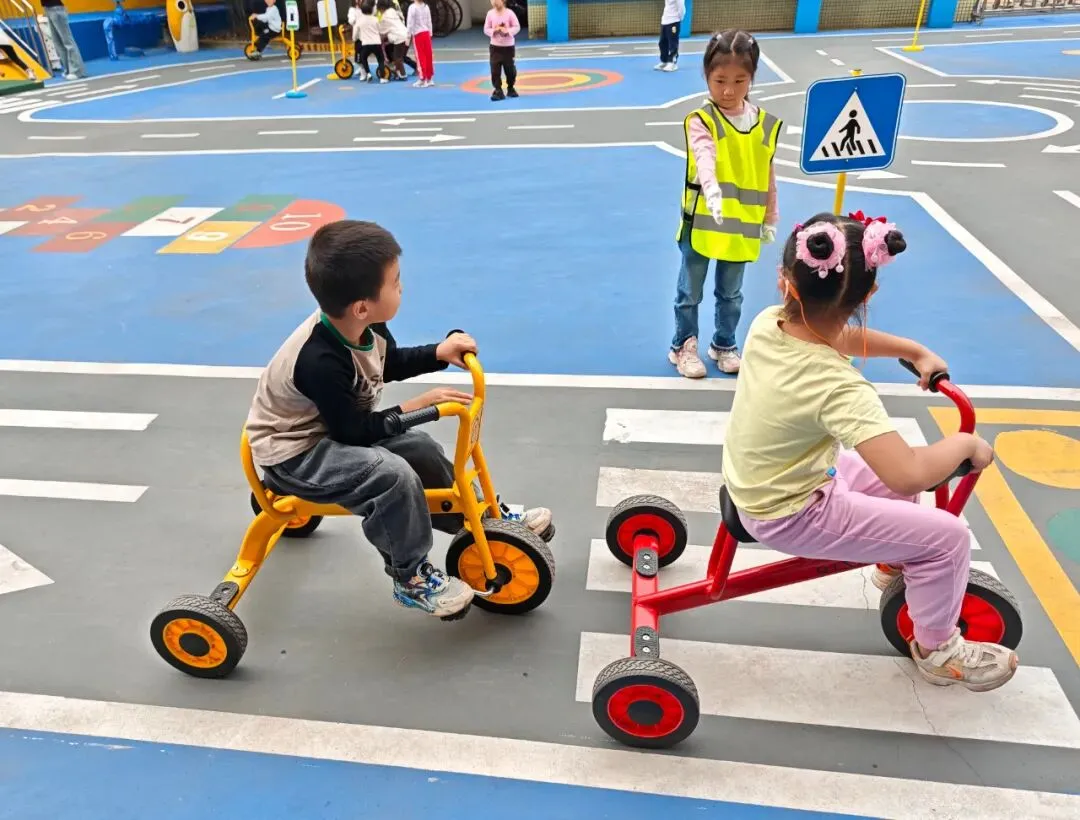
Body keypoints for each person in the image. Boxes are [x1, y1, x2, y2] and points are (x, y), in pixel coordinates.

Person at [721, 212, 1018, 692]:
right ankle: (938, 650)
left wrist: (912, 350)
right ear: (868, 295)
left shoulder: (768, 324)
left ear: (785, 283)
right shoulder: (837, 385)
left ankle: (894, 562)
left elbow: (835, 334)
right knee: (947, 538)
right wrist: (964, 444)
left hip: (769, 475)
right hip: (791, 509)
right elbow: (908, 474)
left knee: (887, 475)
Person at [245, 220, 553, 620]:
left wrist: (438, 353)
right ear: (362, 306)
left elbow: (386, 363)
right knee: (391, 476)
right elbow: (354, 433)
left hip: (332, 430)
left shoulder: (364, 326)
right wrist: (413, 407)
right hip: (295, 453)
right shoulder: (318, 361)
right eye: (395, 282)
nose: (402, 287)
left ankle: (479, 518)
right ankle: (409, 577)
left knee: (420, 448)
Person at [671, 29, 780, 379]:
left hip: (741, 226)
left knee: (731, 294)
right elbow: (704, 155)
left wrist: (770, 216)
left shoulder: (764, 126)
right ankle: (683, 345)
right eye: (719, 81)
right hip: (702, 222)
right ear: (707, 76)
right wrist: (711, 186)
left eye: (739, 81)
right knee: (690, 292)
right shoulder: (701, 120)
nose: (729, 90)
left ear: (752, 78)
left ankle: (724, 344)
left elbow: (767, 174)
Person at [39, 0, 85, 80]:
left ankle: (77, 71)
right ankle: (68, 69)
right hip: (48, 9)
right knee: (57, 42)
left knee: (67, 41)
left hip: (56, 9)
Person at [484, 0, 520, 102]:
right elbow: (486, 29)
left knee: (510, 70)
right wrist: (493, 31)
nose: (494, 2)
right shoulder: (490, 14)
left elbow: (517, 27)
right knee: (495, 70)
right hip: (495, 47)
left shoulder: (510, 13)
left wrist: (508, 31)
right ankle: (498, 90)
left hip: (508, 47)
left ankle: (510, 87)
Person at [350, 0, 383, 82]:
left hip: (366, 44)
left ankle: (368, 73)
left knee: (363, 58)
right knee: (380, 59)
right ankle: (382, 77)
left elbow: (355, 33)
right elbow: (380, 30)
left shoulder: (359, 20)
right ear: (372, 9)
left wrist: (354, 39)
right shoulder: (375, 19)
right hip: (376, 43)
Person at [406, 0, 435, 88]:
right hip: (426, 33)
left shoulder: (412, 7)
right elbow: (429, 21)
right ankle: (429, 78)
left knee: (420, 57)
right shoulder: (426, 6)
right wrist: (430, 33)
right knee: (428, 56)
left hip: (418, 35)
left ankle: (423, 79)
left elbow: (410, 23)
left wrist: (408, 36)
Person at [377, 0, 408, 80]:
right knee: (398, 56)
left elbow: (382, 32)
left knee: (397, 58)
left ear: (381, 8)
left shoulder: (384, 18)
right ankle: (398, 72)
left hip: (399, 37)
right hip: (405, 34)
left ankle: (403, 75)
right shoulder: (392, 10)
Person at [656, 0, 684, 72]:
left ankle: (672, 63)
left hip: (674, 21)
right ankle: (664, 61)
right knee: (662, 43)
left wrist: (679, 18)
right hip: (665, 21)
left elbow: (681, 7)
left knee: (673, 43)